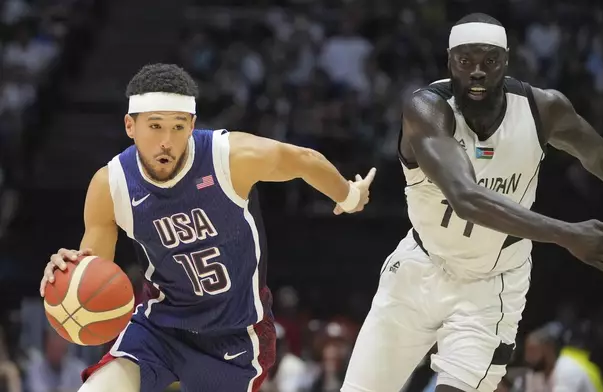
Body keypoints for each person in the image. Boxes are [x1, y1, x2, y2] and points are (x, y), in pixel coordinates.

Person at [341, 13, 603, 392]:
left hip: (493, 285)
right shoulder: (427, 110)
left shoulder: (542, 109)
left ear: (506, 60)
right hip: (420, 268)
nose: (478, 72)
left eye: (489, 60)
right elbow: (466, 198)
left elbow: (598, 155)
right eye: (466, 61)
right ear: (450, 61)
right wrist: (568, 235)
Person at [38, 63, 376, 392]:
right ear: (130, 126)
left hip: (235, 335)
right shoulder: (111, 185)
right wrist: (70, 276)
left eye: (178, 127)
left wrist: (348, 195)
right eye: (155, 126)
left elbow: (303, 160)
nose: (166, 141)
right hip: (160, 328)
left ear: (193, 124)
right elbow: (95, 270)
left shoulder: (228, 158)